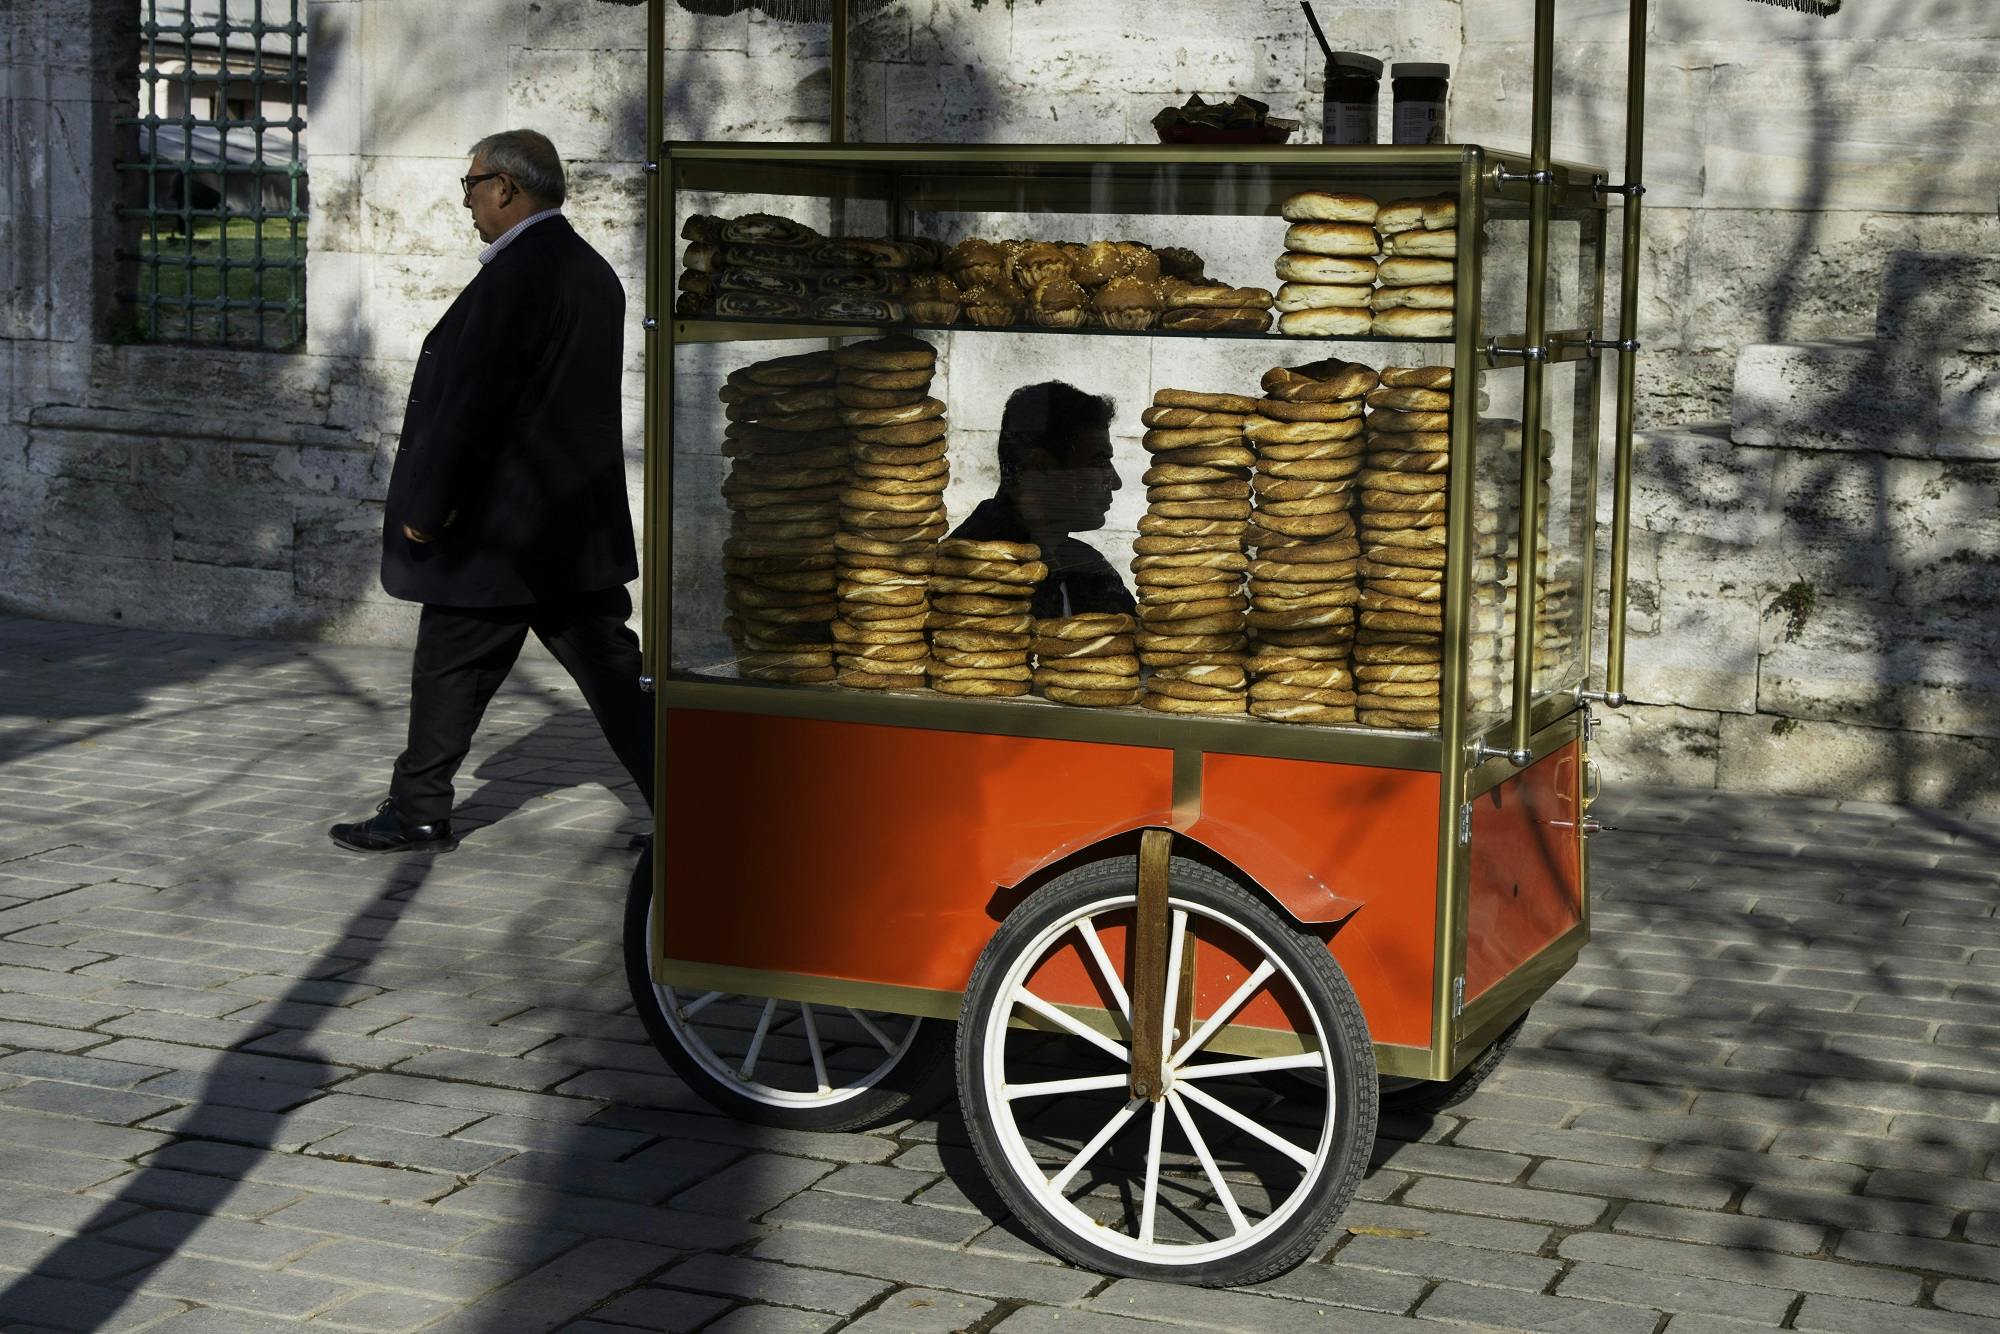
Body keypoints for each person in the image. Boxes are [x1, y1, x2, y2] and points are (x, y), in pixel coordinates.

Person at [330, 130, 652, 854]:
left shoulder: (518, 274)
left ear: (505, 186)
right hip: (570, 531)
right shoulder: (588, 268)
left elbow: (476, 406)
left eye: (471, 186)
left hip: (501, 532)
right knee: (616, 678)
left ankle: (416, 811)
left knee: (449, 667)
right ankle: (699, 816)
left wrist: (428, 509)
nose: (468, 202)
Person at [951, 381, 1135, 618]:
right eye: (1099, 461)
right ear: (1041, 468)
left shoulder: (1086, 565)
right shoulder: (970, 570)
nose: (1116, 481)